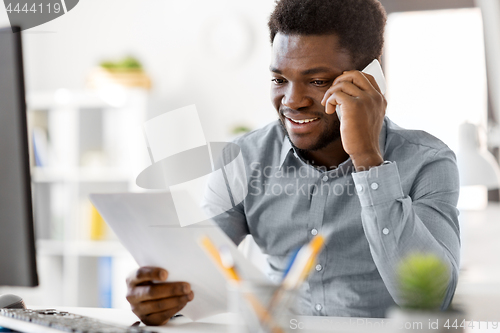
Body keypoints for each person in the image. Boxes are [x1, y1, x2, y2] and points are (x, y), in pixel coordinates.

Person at [126, 0, 460, 325]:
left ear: (369, 79)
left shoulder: (427, 161)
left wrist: (368, 161)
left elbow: (432, 301)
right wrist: (163, 298)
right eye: (279, 80)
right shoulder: (242, 161)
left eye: (317, 81)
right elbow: (195, 275)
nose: (292, 101)